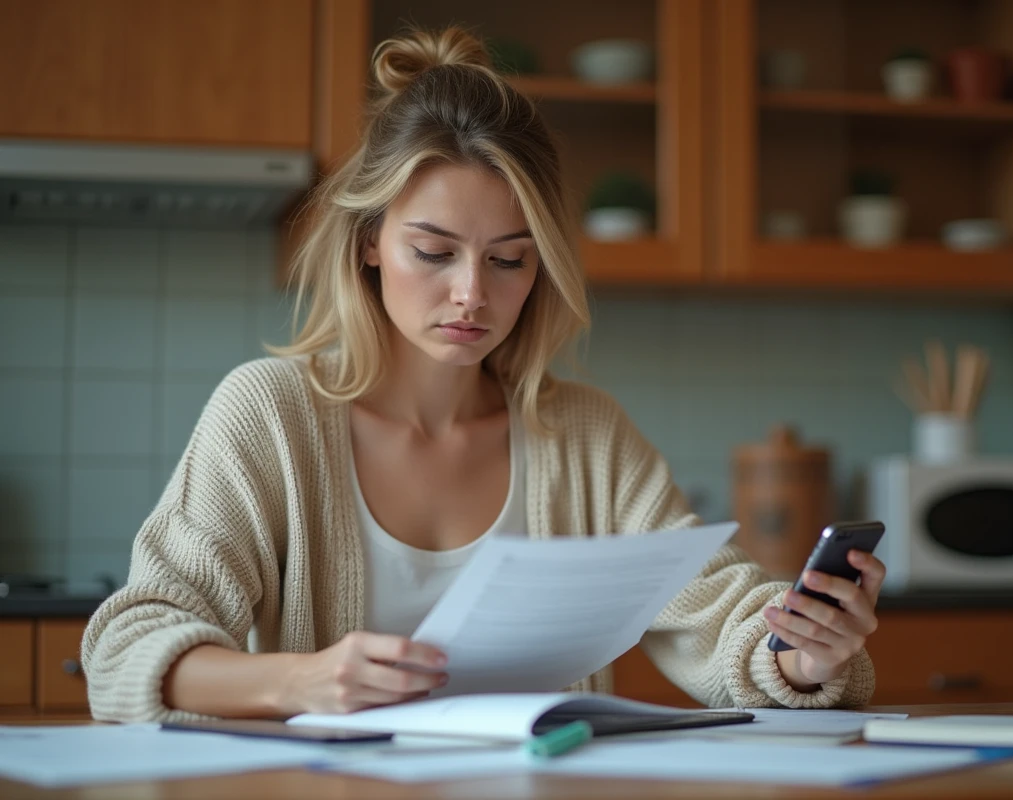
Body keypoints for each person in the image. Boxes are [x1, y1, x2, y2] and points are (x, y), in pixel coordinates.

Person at [81, 27, 884, 722]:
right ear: (369, 241)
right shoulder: (269, 417)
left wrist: (801, 657)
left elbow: (721, 617)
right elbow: (129, 649)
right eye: (433, 252)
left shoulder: (585, 436)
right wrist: (302, 679)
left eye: (508, 260)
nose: (472, 293)